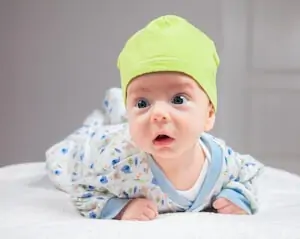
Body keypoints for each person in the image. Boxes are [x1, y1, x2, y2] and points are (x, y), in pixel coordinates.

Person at [46, 15, 264, 221]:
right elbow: (84, 190)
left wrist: (237, 197)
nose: (158, 114)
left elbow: (248, 174)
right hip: (107, 140)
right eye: (142, 103)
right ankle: (111, 111)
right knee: (75, 151)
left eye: (178, 99)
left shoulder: (222, 161)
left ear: (208, 114)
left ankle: (119, 106)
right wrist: (121, 207)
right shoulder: (120, 165)